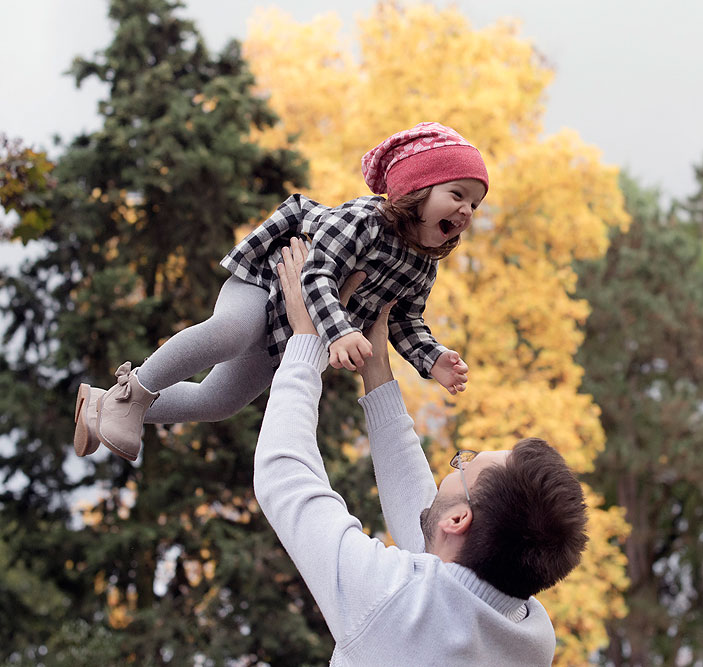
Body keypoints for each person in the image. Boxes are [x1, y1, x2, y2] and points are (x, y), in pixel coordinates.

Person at [253, 237, 588, 665]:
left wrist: (305, 342)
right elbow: (433, 550)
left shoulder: (390, 599)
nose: (454, 467)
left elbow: (283, 475)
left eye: (465, 464)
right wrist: (377, 375)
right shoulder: (528, 634)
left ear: (459, 517)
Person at [73, 122, 485, 462]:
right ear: (415, 189)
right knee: (231, 332)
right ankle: (132, 394)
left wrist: (432, 360)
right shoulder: (363, 221)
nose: (466, 210)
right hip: (267, 284)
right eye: (457, 194)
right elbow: (316, 275)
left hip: (291, 332)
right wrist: (340, 332)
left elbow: (403, 318)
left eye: (475, 204)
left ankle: (102, 405)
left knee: (219, 400)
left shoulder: (423, 264)